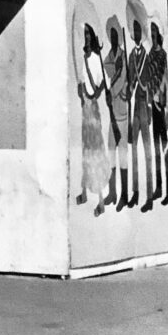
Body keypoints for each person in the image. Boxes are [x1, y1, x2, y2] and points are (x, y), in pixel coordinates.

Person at [75, 23, 110, 216]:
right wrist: (81, 92)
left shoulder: (96, 59)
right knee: (86, 150)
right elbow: (82, 82)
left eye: (89, 34)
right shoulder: (84, 59)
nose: (86, 37)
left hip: (93, 110)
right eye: (85, 34)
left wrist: (95, 94)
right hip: (85, 109)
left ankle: (101, 201)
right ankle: (84, 192)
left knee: (95, 151)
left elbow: (104, 82)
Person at [126, 19, 153, 212]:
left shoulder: (146, 56)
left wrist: (150, 107)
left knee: (147, 149)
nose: (136, 34)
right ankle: (135, 192)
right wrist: (129, 89)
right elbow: (130, 81)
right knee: (134, 149)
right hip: (134, 105)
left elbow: (149, 83)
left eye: (138, 30)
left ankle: (149, 196)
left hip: (144, 104)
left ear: (141, 34)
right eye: (133, 31)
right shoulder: (131, 56)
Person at [144, 23, 168, 210]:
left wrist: (165, 102)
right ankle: (159, 187)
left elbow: (166, 79)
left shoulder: (163, 55)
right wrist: (150, 102)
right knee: (156, 149)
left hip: (162, 105)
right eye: (151, 33)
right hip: (153, 105)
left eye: (155, 33)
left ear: (158, 35)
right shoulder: (150, 55)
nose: (153, 36)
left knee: (165, 148)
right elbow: (147, 81)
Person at [103, 22, 129, 209]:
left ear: (118, 38)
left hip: (121, 113)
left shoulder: (123, 56)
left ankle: (125, 195)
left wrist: (111, 92)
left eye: (115, 36)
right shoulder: (110, 57)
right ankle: (112, 192)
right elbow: (107, 68)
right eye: (110, 36)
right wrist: (116, 69)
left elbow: (121, 81)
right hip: (112, 112)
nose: (113, 39)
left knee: (123, 155)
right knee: (111, 151)